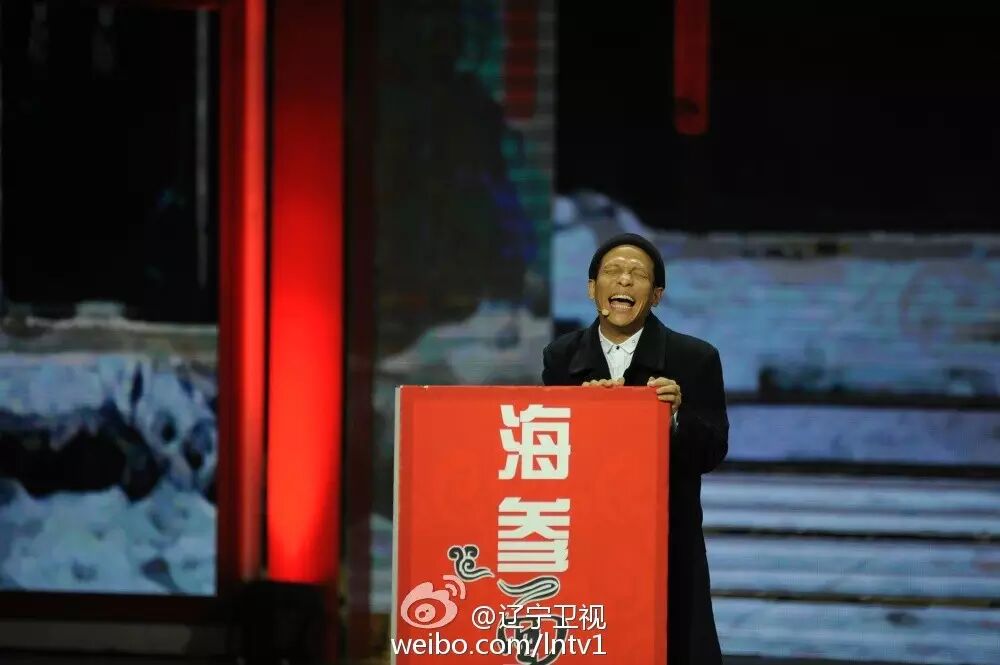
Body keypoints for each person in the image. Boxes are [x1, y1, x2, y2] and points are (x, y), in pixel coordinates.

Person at [542, 232, 728, 665]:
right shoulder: (561, 356)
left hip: (667, 540)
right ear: (592, 288)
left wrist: (674, 418)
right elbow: (550, 452)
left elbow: (713, 451)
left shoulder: (695, 357)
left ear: (656, 295)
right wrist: (579, 416)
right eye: (612, 272)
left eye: (637, 275)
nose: (624, 281)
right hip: (587, 538)